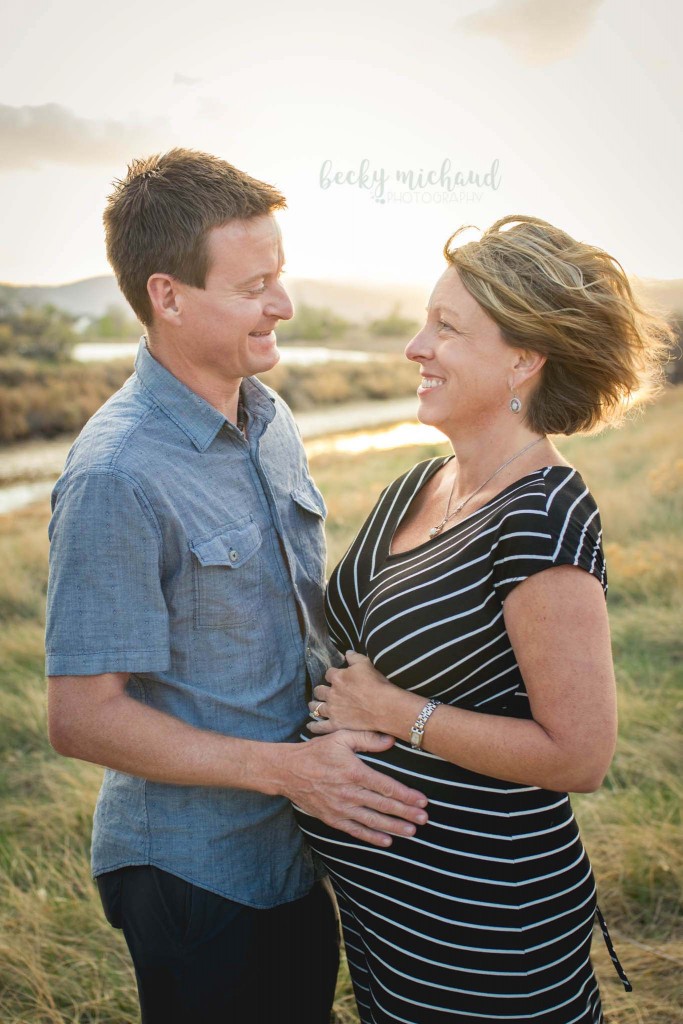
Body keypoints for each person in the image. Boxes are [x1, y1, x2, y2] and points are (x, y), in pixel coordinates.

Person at [45, 148, 429, 1024]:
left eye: (280, 275)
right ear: (167, 296)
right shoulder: (117, 475)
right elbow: (81, 716)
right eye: (254, 284)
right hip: (190, 869)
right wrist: (290, 771)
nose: (282, 304)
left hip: (294, 848)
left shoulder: (270, 416)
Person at [297, 215, 671, 1024]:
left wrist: (395, 714)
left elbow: (579, 753)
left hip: (487, 937)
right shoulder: (417, 485)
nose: (414, 347)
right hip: (391, 929)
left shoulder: (541, 515)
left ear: (522, 358)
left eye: (446, 327)